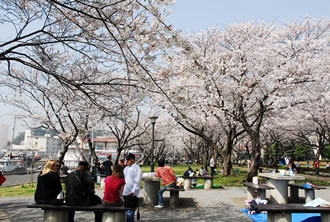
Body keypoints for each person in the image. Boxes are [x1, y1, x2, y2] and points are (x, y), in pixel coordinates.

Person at [123, 153, 142, 222]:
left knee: (130, 211)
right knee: (126, 210)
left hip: (132, 193)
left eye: (129, 159)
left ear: (133, 160)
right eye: (126, 159)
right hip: (125, 191)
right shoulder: (126, 168)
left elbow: (138, 180)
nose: (127, 161)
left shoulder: (137, 169)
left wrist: (134, 191)